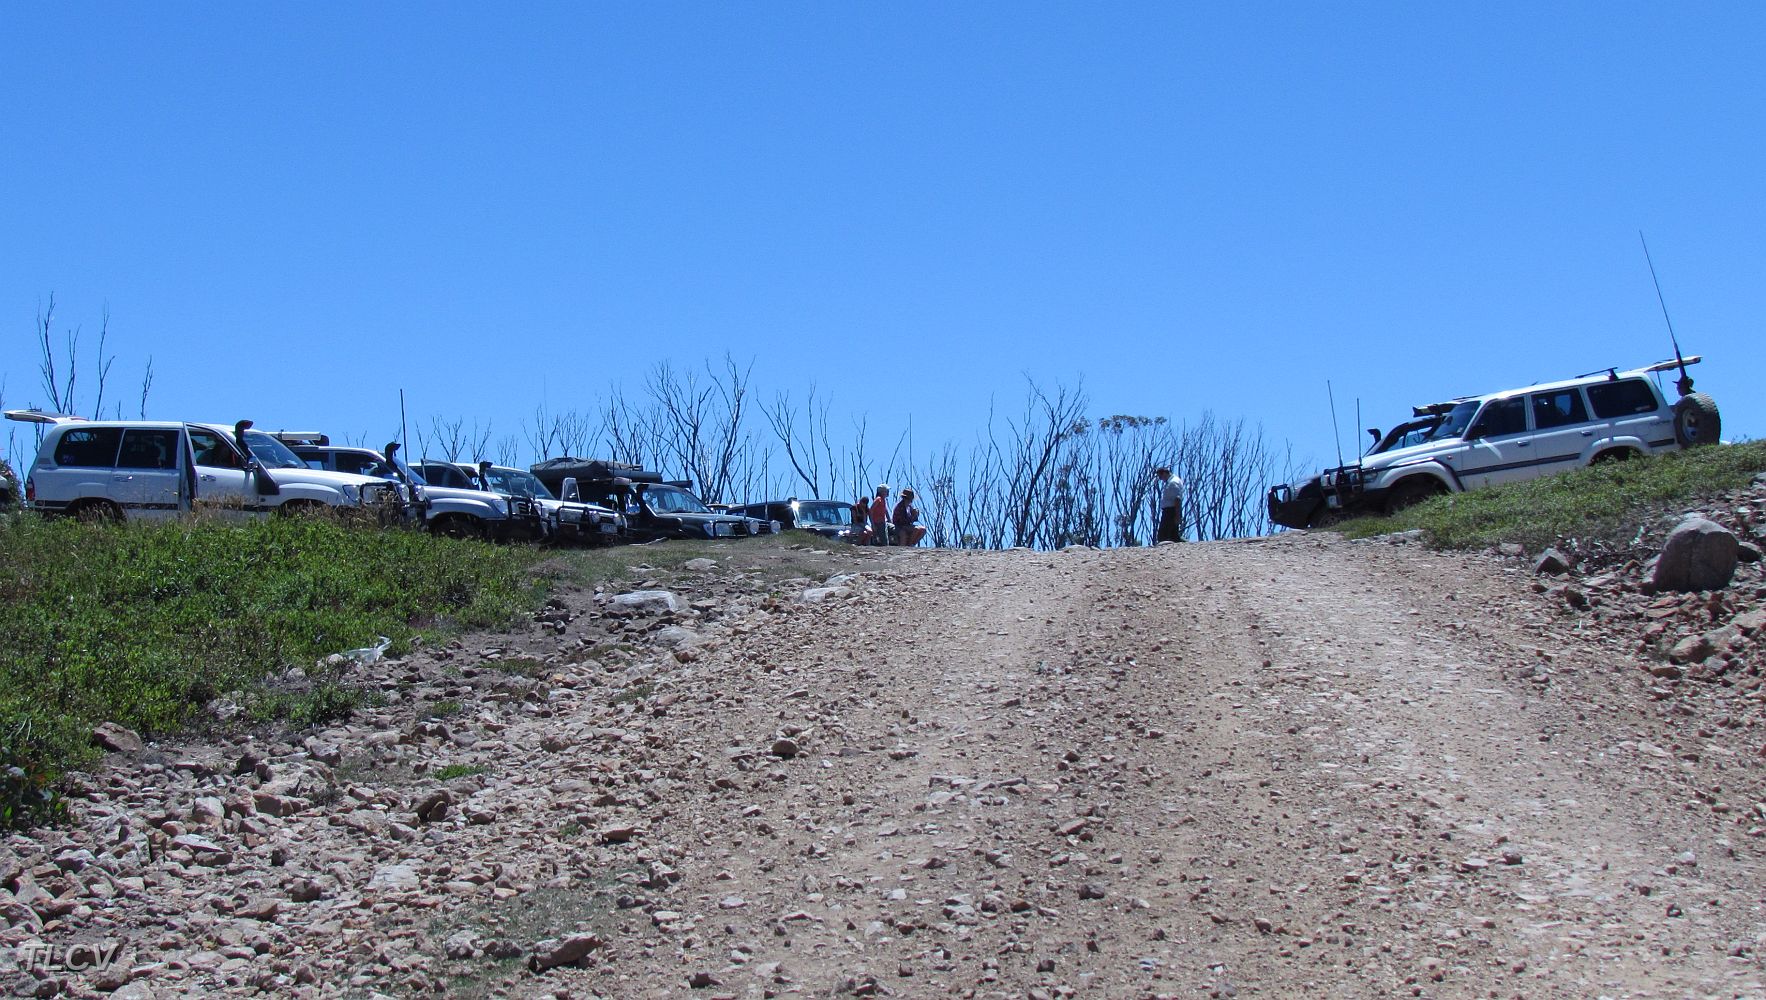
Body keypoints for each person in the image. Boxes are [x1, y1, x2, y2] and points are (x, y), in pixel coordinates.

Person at [1154, 467, 1184, 543]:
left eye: (1160, 476)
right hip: (1170, 511)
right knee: (1173, 535)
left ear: (1164, 473)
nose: (1160, 479)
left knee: (1163, 536)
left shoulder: (1173, 483)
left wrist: (1177, 515)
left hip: (1171, 511)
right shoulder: (1171, 481)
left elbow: (1177, 499)